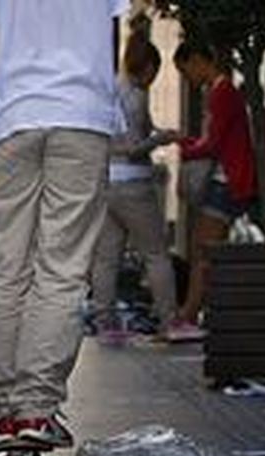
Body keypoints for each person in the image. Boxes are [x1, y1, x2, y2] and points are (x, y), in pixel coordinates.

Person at [0, 0, 127, 456]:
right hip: (82, 118)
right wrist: (101, 101)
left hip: (13, 119)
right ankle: (35, 411)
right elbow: (111, 33)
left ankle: (6, 414)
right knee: (62, 270)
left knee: (8, 272)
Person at [90, 33, 181, 339]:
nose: (155, 78)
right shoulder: (136, 96)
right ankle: (169, 320)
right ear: (147, 67)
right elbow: (133, 148)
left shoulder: (109, 90)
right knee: (155, 253)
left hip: (106, 183)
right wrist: (162, 139)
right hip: (134, 184)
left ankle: (104, 321)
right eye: (155, 71)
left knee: (106, 257)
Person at [171, 40, 255, 340]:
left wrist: (184, 146)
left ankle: (189, 316)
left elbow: (214, 143)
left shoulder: (222, 93)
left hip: (226, 180)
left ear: (197, 60)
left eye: (185, 70)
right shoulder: (222, 92)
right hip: (228, 177)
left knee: (202, 250)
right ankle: (191, 313)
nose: (188, 79)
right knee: (203, 249)